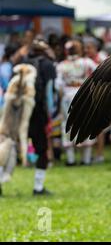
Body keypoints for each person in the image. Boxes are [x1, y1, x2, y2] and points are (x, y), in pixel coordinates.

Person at [21, 39, 57, 195]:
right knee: (42, 149)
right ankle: (38, 187)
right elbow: (49, 92)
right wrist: (50, 112)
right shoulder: (48, 65)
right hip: (38, 112)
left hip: (21, 110)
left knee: (8, 146)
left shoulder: (24, 64)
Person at [56, 39, 97, 166]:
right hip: (84, 96)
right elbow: (97, 78)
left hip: (68, 97)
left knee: (68, 124)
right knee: (86, 122)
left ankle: (71, 159)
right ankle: (86, 159)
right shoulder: (88, 63)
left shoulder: (61, 66)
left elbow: (59, 85)